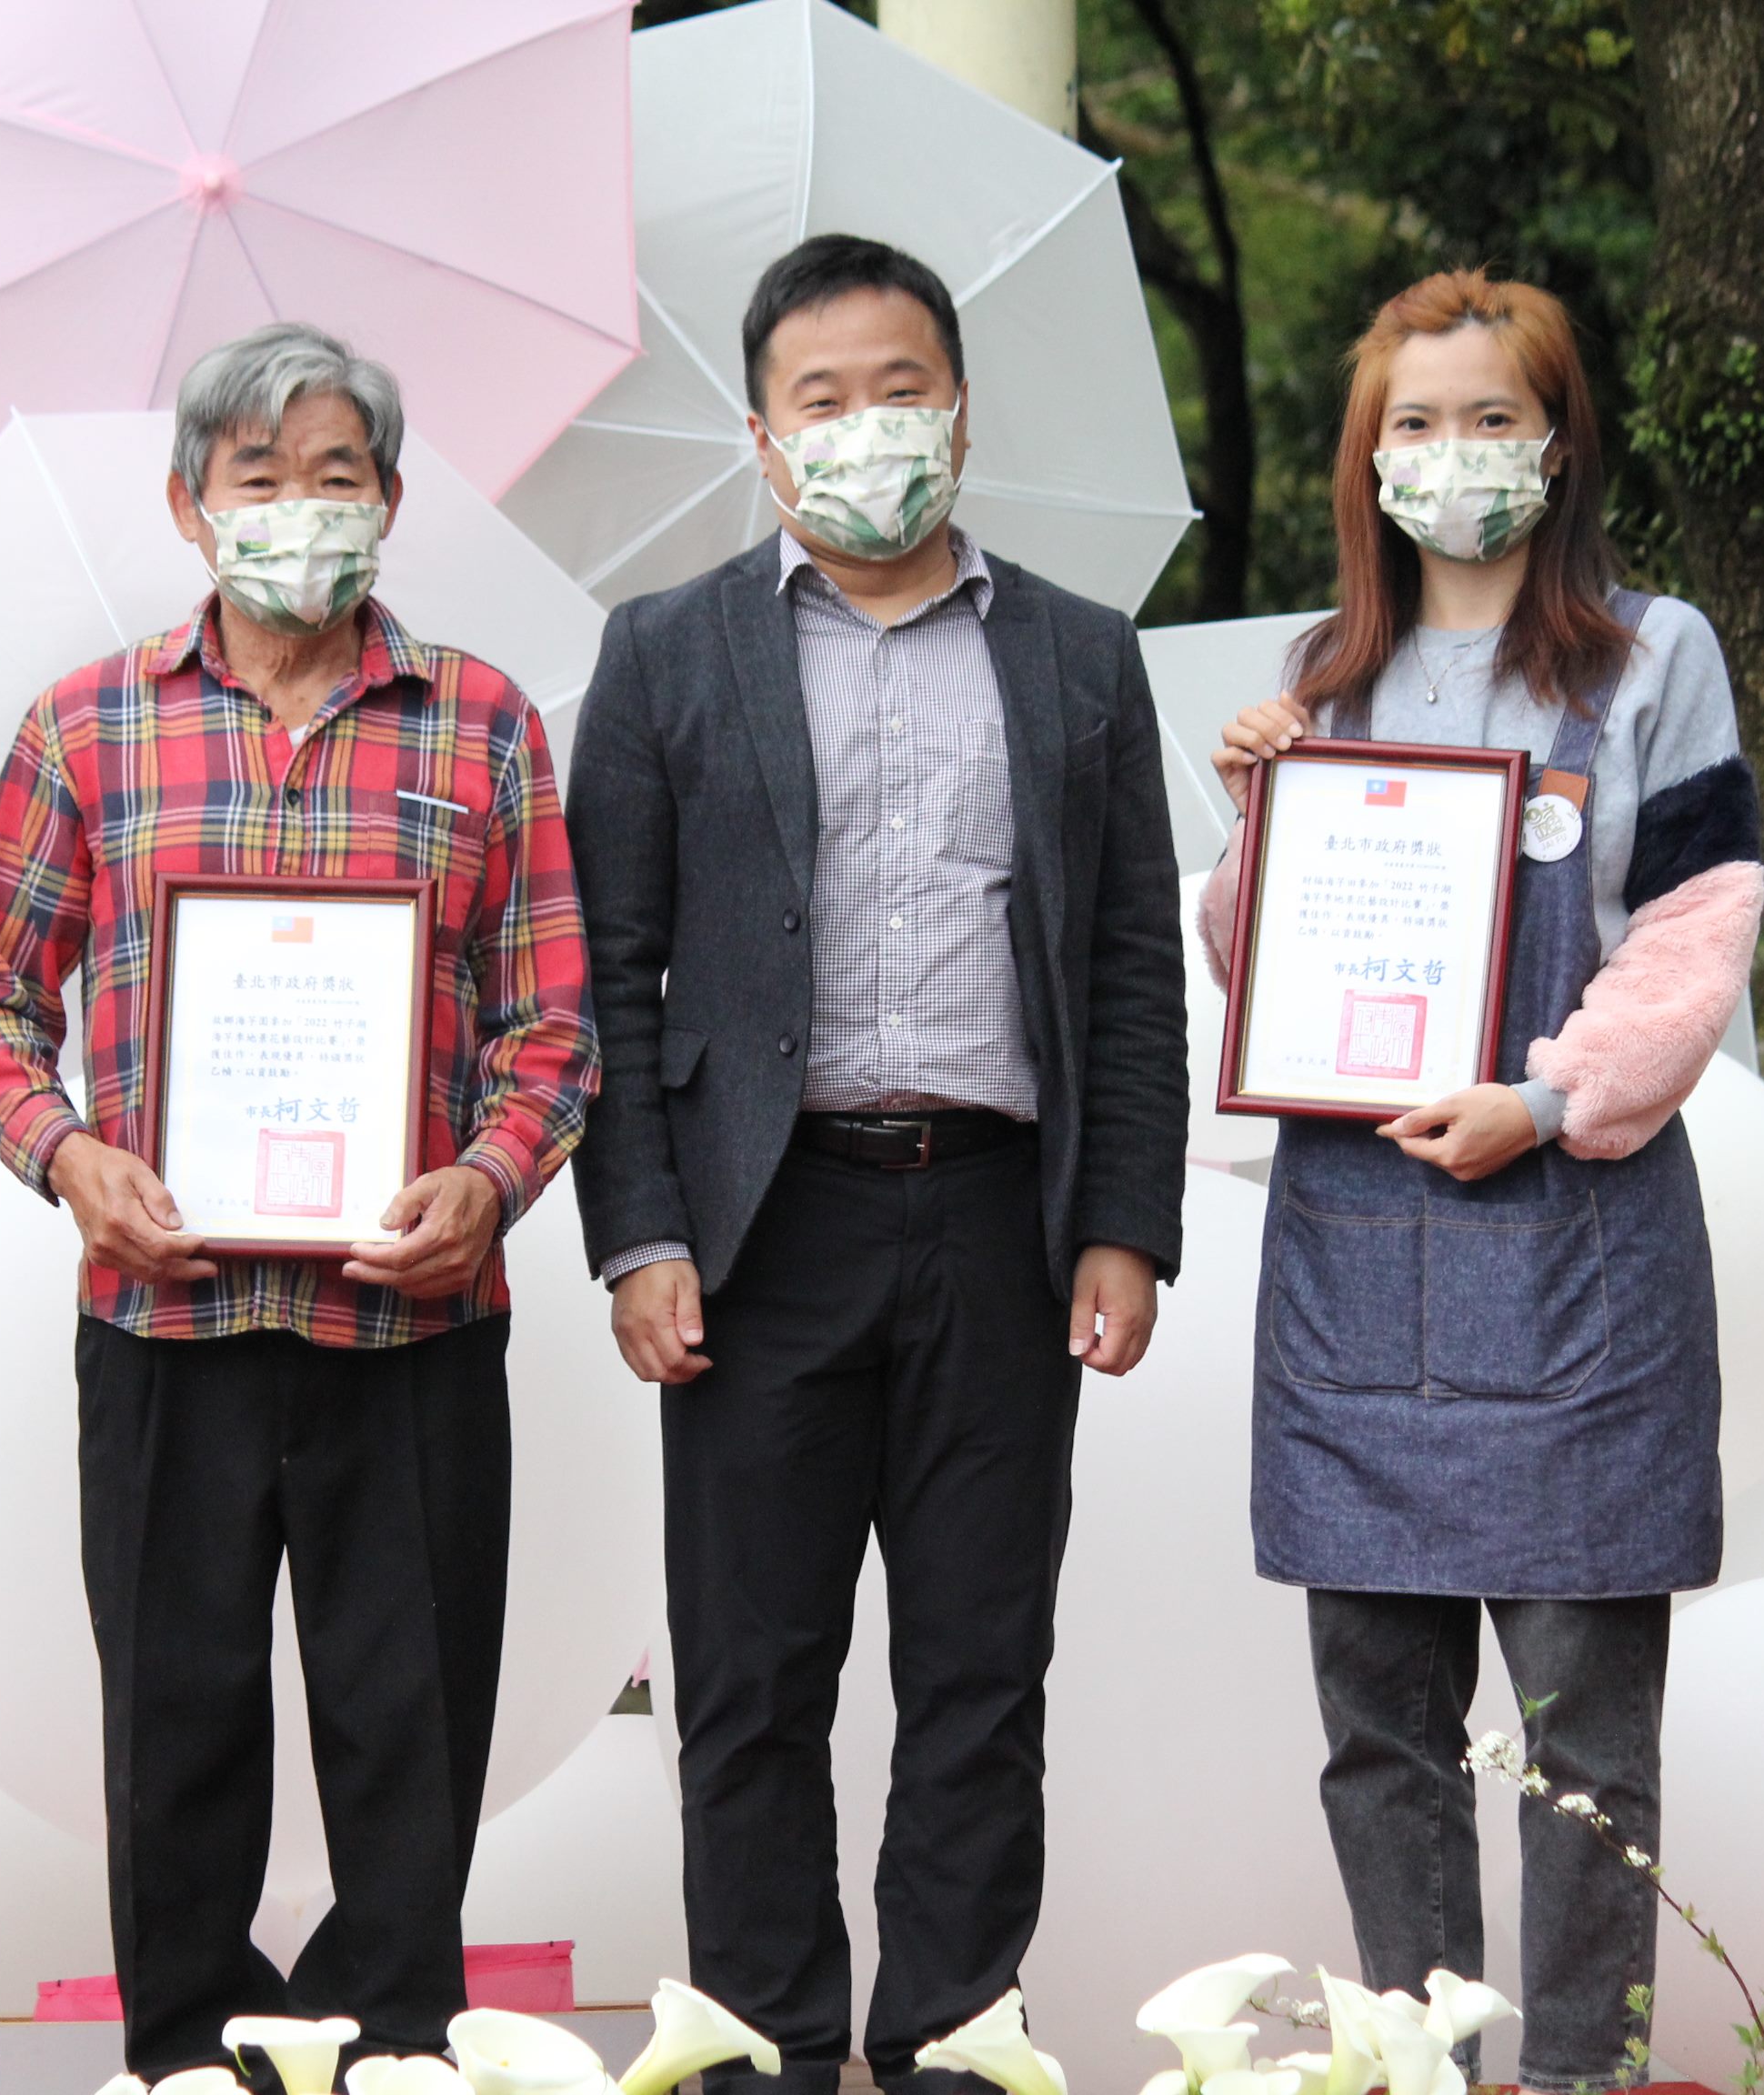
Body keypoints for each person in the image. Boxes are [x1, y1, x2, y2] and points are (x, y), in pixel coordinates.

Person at [561, 234, 1189, 2094]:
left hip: (1002, 1214)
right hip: (764, 1226)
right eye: (821, 400)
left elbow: (1131, 964)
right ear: (764, 438)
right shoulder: (666, 653)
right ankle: (761, 2052)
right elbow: (605, 970)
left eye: (898, 390)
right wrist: (638, 1233)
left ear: (961, 412)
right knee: (751, 1682)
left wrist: (1125, 1223)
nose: (865, 429)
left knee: (980, 1679)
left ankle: (950, 2050)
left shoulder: (1078, 655)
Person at [0, 322, 597, 2079]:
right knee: (177, 1742)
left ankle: (390, 2051)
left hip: (413, 1326)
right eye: (260, 478)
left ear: (391, 498)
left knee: (412, 1745)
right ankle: (189, 2060)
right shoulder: (85, 727)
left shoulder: (484, 724)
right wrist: (67, 1156)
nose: (299, 510)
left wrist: (488, 1180)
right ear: (189, 504)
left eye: (335, 477)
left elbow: (553, 1023)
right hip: (166, 1322)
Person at [1200, 269, 1764, 2090]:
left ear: (1559, 442)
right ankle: (1417, 2067)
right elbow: (1258, 971)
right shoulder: (1324, 680)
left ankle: (1581, 2077)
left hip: (1580, 1259)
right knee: (1382, 1739)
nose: (1456, 456)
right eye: (1418, 425)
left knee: (1588, 1755)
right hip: (1355, 1276)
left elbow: (1696, 933)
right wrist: (1256, 816)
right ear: (1369, 462)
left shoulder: (1655, 657)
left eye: (1493, 418)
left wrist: (1544, 1095)